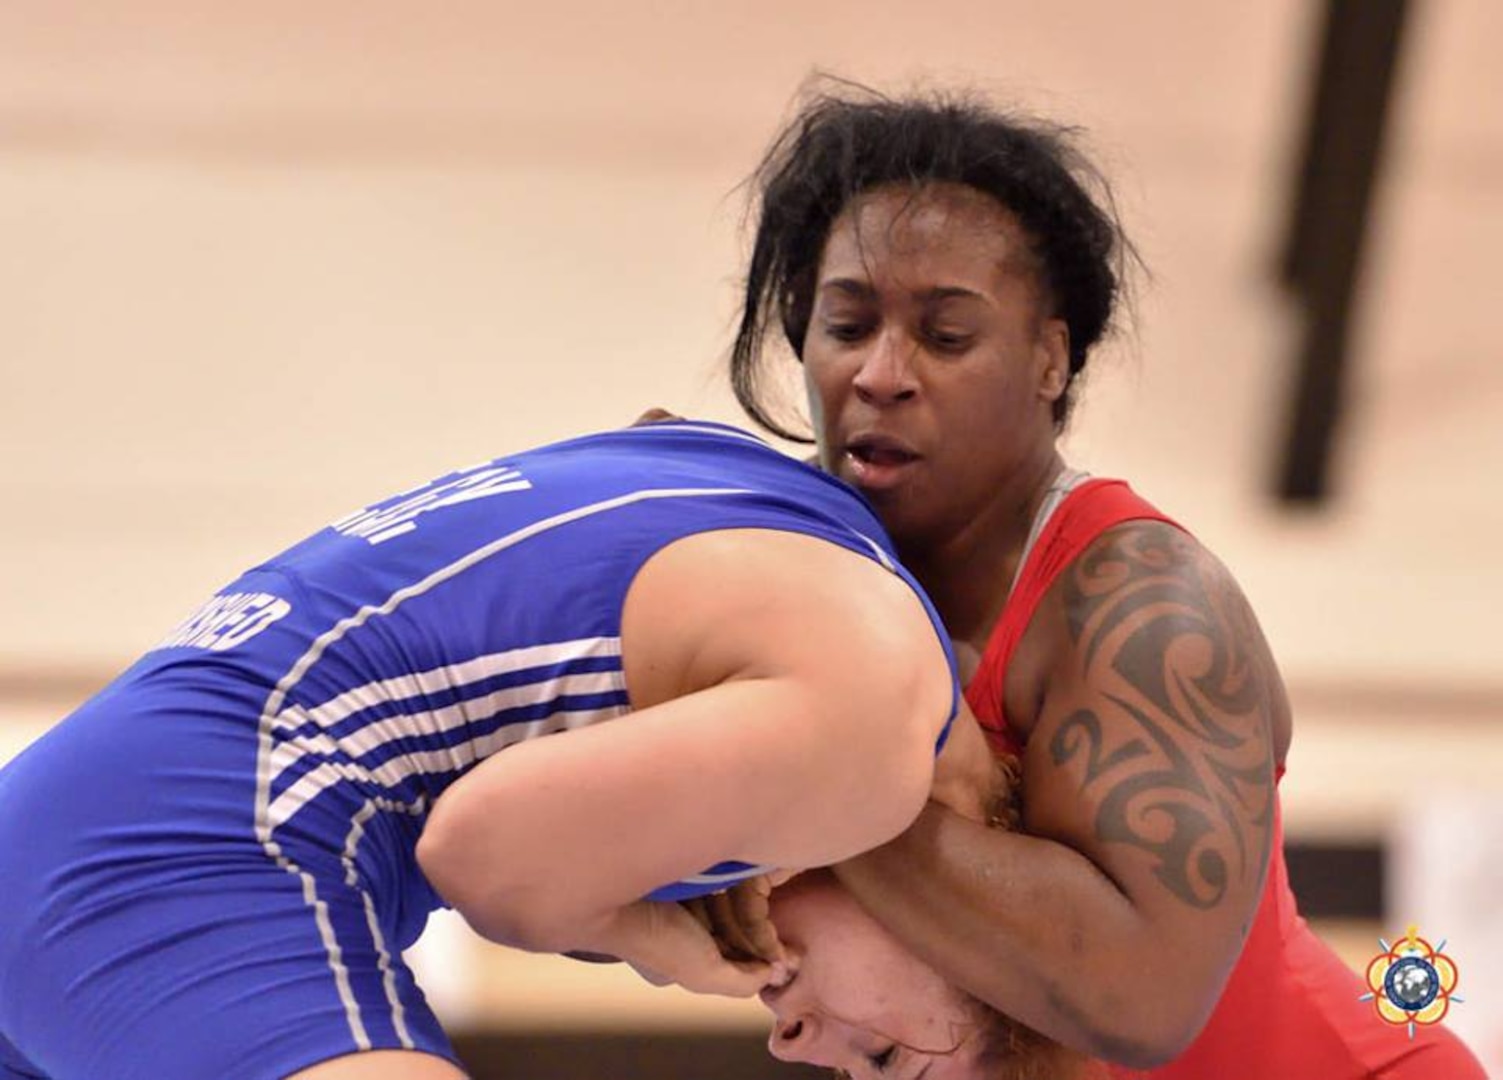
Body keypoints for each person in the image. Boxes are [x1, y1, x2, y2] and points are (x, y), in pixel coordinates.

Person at [728, 84, 1487, 1077]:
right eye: (846, 324)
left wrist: (797, 779)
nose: (881, 373)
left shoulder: (1141, 603)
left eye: (946, 335)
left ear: (1051, 358)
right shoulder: (801, 570)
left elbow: (1140, 996)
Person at [0, 417, 999, 1080]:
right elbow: (474, 853)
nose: (792, 1047)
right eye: (882, 1057)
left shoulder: (796, 509)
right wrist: (649, 942)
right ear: (989, 945)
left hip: (84, 795)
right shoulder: (877, 744)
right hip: (206, 848)